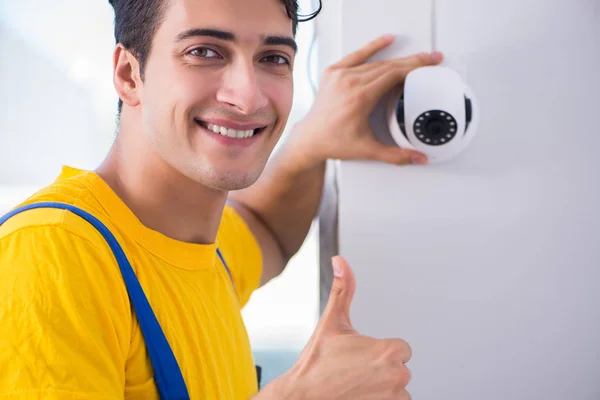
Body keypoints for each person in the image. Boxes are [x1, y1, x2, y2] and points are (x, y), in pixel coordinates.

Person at [0, 0, 443, 398]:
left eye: (273, 58)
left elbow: (265, 226)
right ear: (128, 75)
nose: (247, 97)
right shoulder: (53, 252)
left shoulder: (200, 249)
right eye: (204, 52)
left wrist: (313, 140)